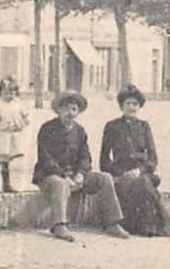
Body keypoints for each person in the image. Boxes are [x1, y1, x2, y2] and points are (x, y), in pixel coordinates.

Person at [32, 91, 128, 242]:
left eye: (74, 109)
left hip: (75, 176)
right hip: (50, 175)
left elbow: (85, 157)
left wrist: (80, 174)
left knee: (105, 178)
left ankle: (112, 222)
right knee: (60, 184)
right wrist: (64, 175)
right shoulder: (47, 128)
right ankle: (59, 225)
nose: (70, 113)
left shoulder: (80, 131)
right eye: (66, 109)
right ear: (59, 110)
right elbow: (45, 158)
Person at [99, 86, 170, 237]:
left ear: (139, 106)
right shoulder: (112, 126)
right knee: (141, 185)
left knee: (143, 182)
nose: (131, 107)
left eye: (135, 104)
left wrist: (139, 170)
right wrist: (119, 173)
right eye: (128, 104)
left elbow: (153, 159)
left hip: (141, 172)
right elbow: (104, 159)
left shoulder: (144, 127)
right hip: (121, 173)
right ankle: (150, 226)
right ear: (121, 106)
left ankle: (148, 227)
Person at [0, 76, 29, 194]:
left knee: (6, 162)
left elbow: (25, 117)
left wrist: (21, 124)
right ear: (0, 93)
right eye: (6, 92)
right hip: (0, 136)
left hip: (10, 136)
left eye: (12, 92)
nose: (9, 95)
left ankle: (7, 184)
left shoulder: (17, 105)